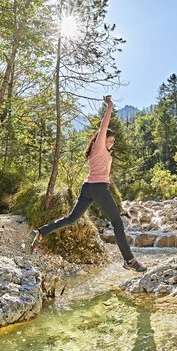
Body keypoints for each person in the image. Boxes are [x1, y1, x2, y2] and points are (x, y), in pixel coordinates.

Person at [27, 95, 147, 272]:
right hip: (98, 189)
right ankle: (128, 260)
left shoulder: (94, 151)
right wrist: (109, 107)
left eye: (113, 142)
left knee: (71, 219)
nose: (111, 144)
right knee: (117, 223)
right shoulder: (99, 147)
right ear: (101, 139)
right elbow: (103, 126)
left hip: (88, 188)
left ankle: (43, 232)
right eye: (109, 140)